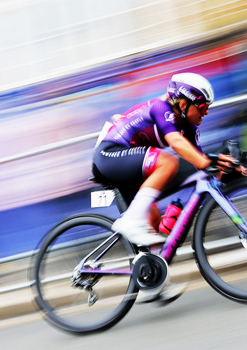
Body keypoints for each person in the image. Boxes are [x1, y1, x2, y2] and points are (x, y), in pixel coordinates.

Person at [93, 72, 238, 247]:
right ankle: (129, 222)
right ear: (183, 104)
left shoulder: (190, 127)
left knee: (152, 225)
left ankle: (151, 269)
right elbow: (176, 143)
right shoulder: (160, 108)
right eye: (202, 107)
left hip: (132, 167)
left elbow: (199, 161)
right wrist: (207, 162)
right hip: (109, 155)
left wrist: (226, 168)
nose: (206, 112)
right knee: (168, 162)